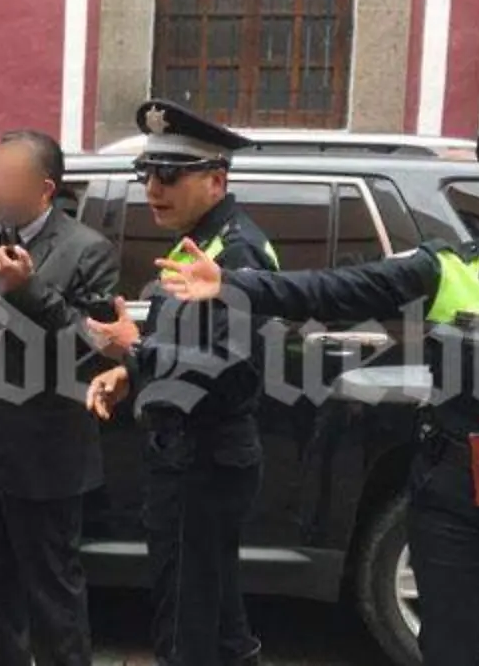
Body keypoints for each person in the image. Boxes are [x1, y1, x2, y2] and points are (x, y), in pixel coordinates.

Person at [150, 102, 479, 666]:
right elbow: (337, 289)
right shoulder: (449, 270)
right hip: (457, 506)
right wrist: (236, 284)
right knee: (449, 653)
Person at [84, 99, 277, 666]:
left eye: (169, 175)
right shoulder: (199, 241)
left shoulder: (235, 253)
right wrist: (130, 371)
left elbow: (228, 369)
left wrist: (135, 350)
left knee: (185, 623)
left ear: (216, 180)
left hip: (205, 459)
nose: (153, 188)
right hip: (188, 453)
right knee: (218, 616)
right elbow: (192, 343)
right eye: (147, 173)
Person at [0, 129, 118, 666]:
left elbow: (94, 347)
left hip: (44, 452)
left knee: (52, 590)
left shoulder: (87, 249)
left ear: (45, 188)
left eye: (6, 177)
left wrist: (29, 290)